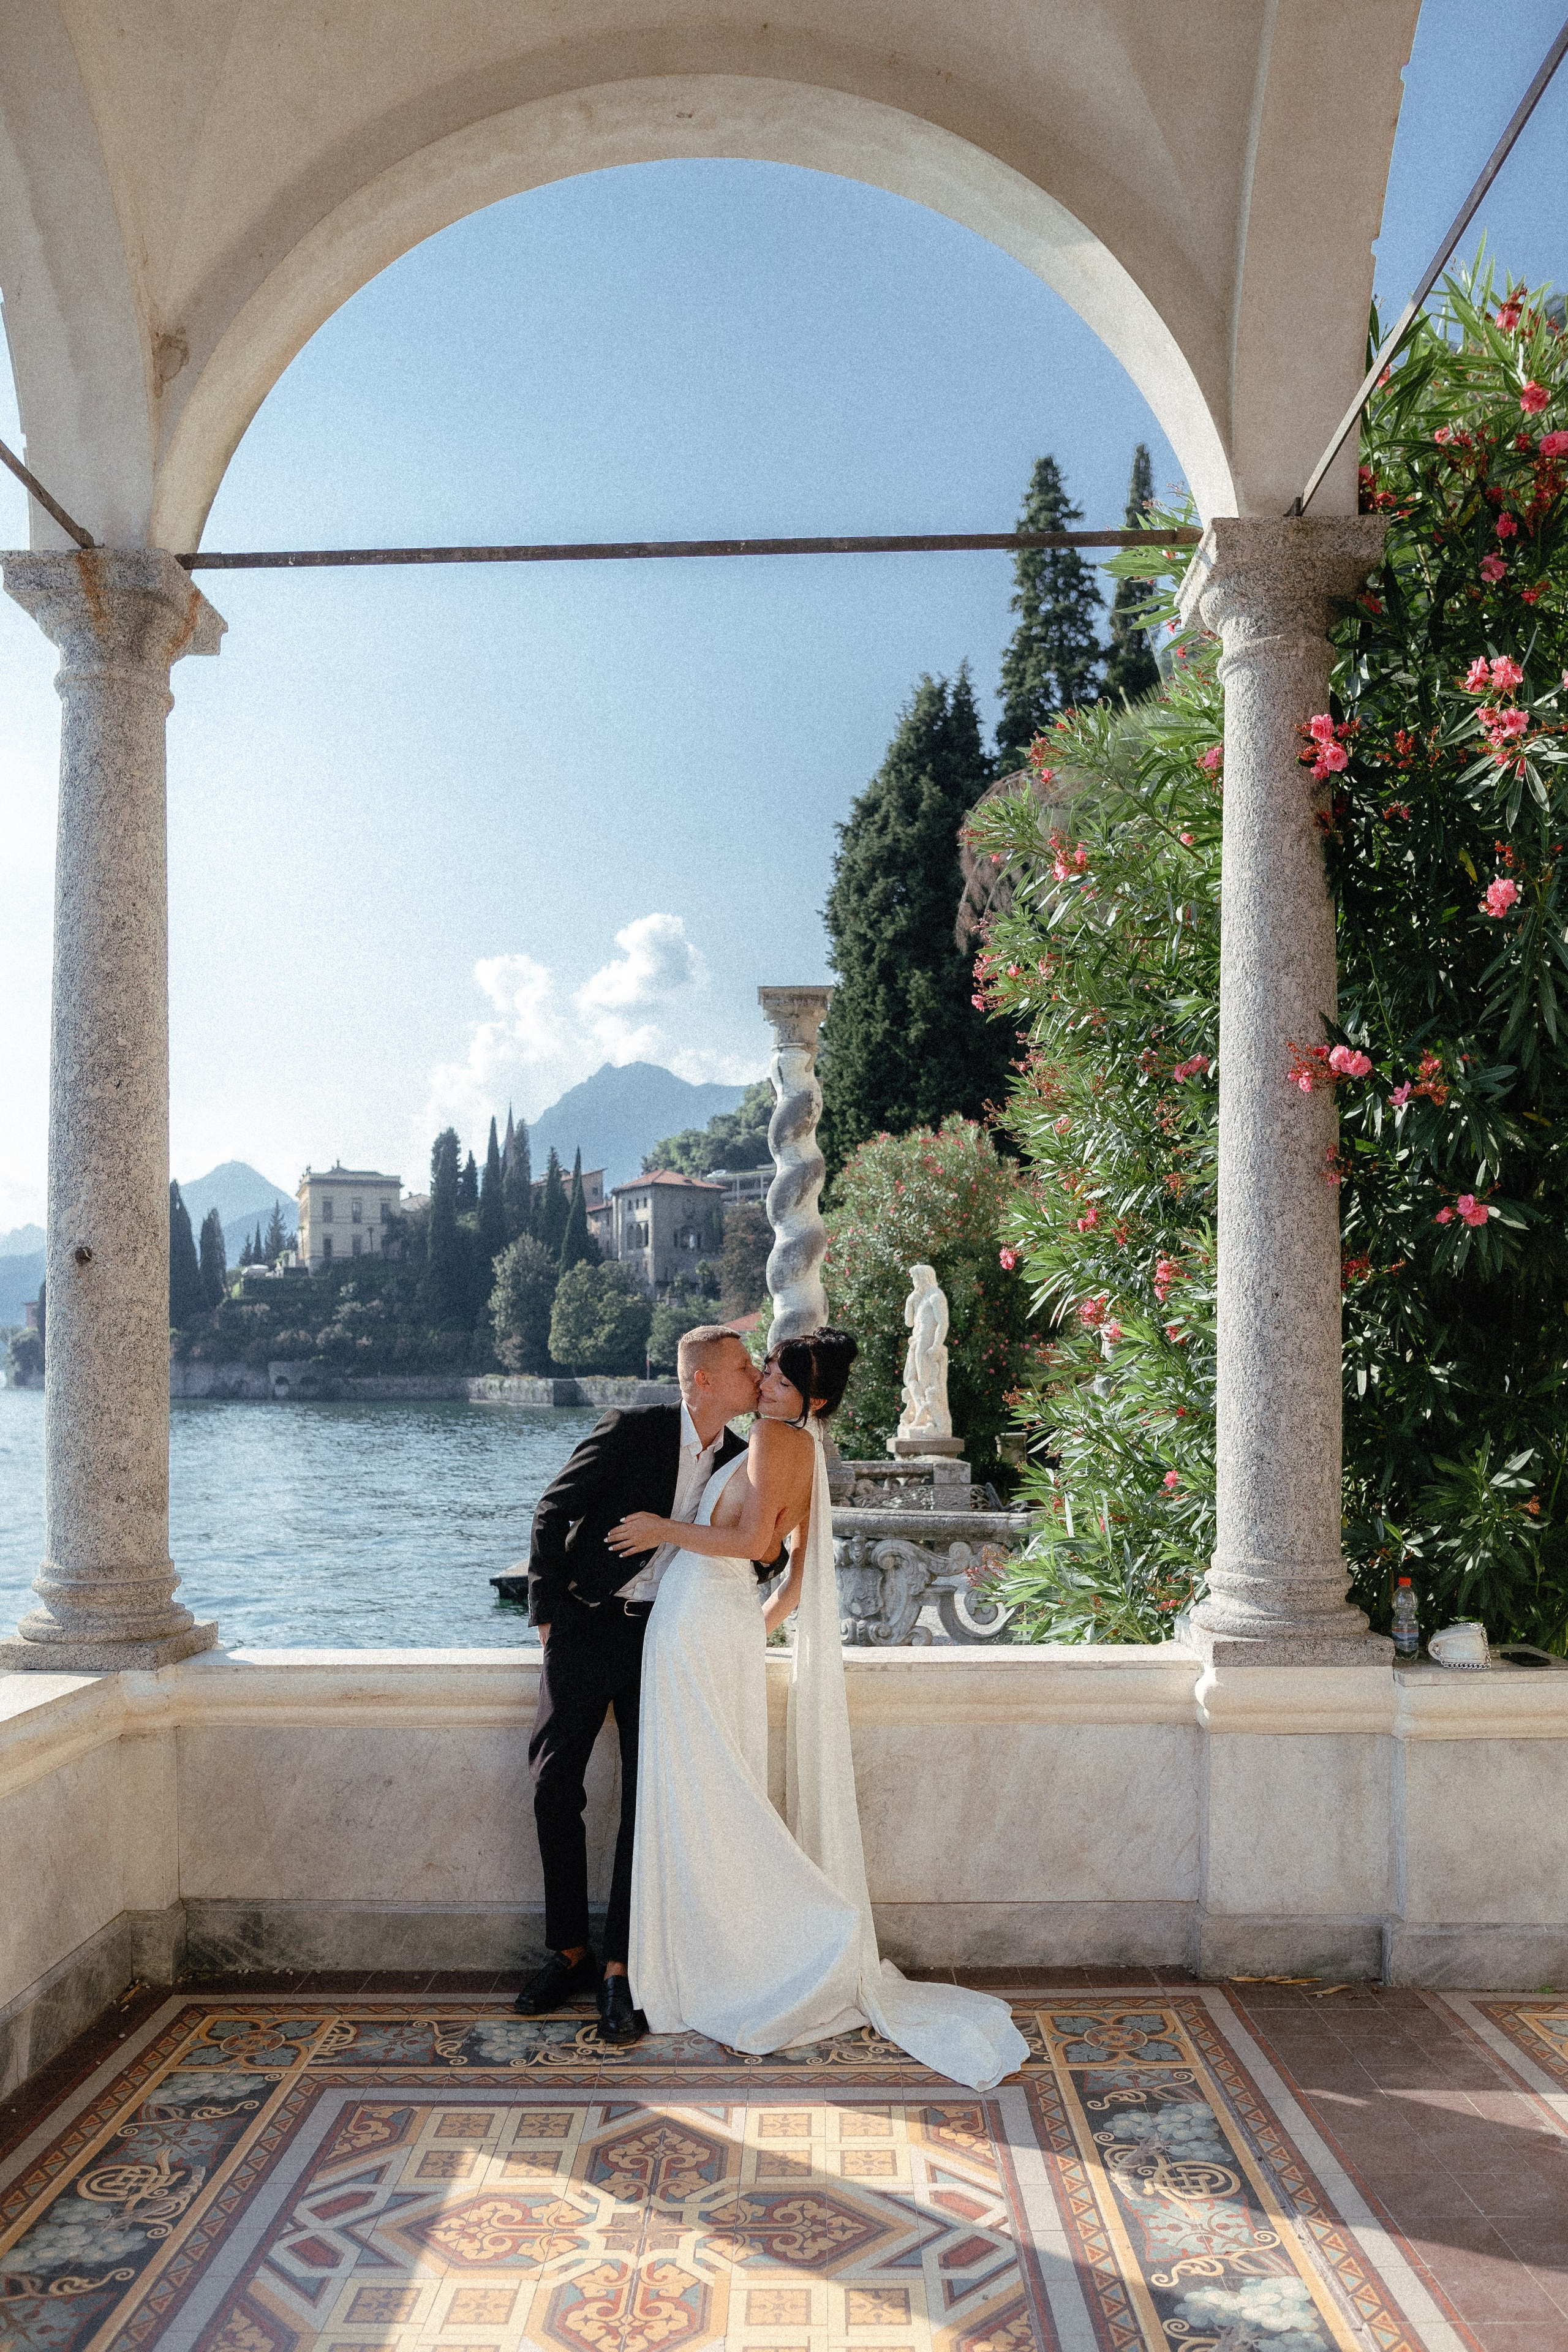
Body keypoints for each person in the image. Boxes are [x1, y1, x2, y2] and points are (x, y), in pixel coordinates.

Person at [607, 1325, 1028, 2090]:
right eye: (766, 1368)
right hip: (715, 1626)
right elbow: (795, 1578)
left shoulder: (773, 1439)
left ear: (814, 1398)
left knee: (702, 1797)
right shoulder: (801, 1451)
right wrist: (748, 1631)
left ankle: (797, 1946)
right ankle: (720, 1955)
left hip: (701, 1621)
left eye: (780, 1376)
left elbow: (748, 1541)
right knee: (706, 1793)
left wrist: (661, 1531)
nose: (765, 1383)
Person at [518, 1324, 775, 2045]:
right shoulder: (631, 1429)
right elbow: (551, 1511)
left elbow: (759, 1552)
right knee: (552, 1782)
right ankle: (568, 1951)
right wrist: (548, 1619)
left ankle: (619, 1972)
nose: (756, 1375)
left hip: (665, 1641)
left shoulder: (738, 1458)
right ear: (702, 1380)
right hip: (585, 1627)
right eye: (743, 1366)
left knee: (648, 1799)